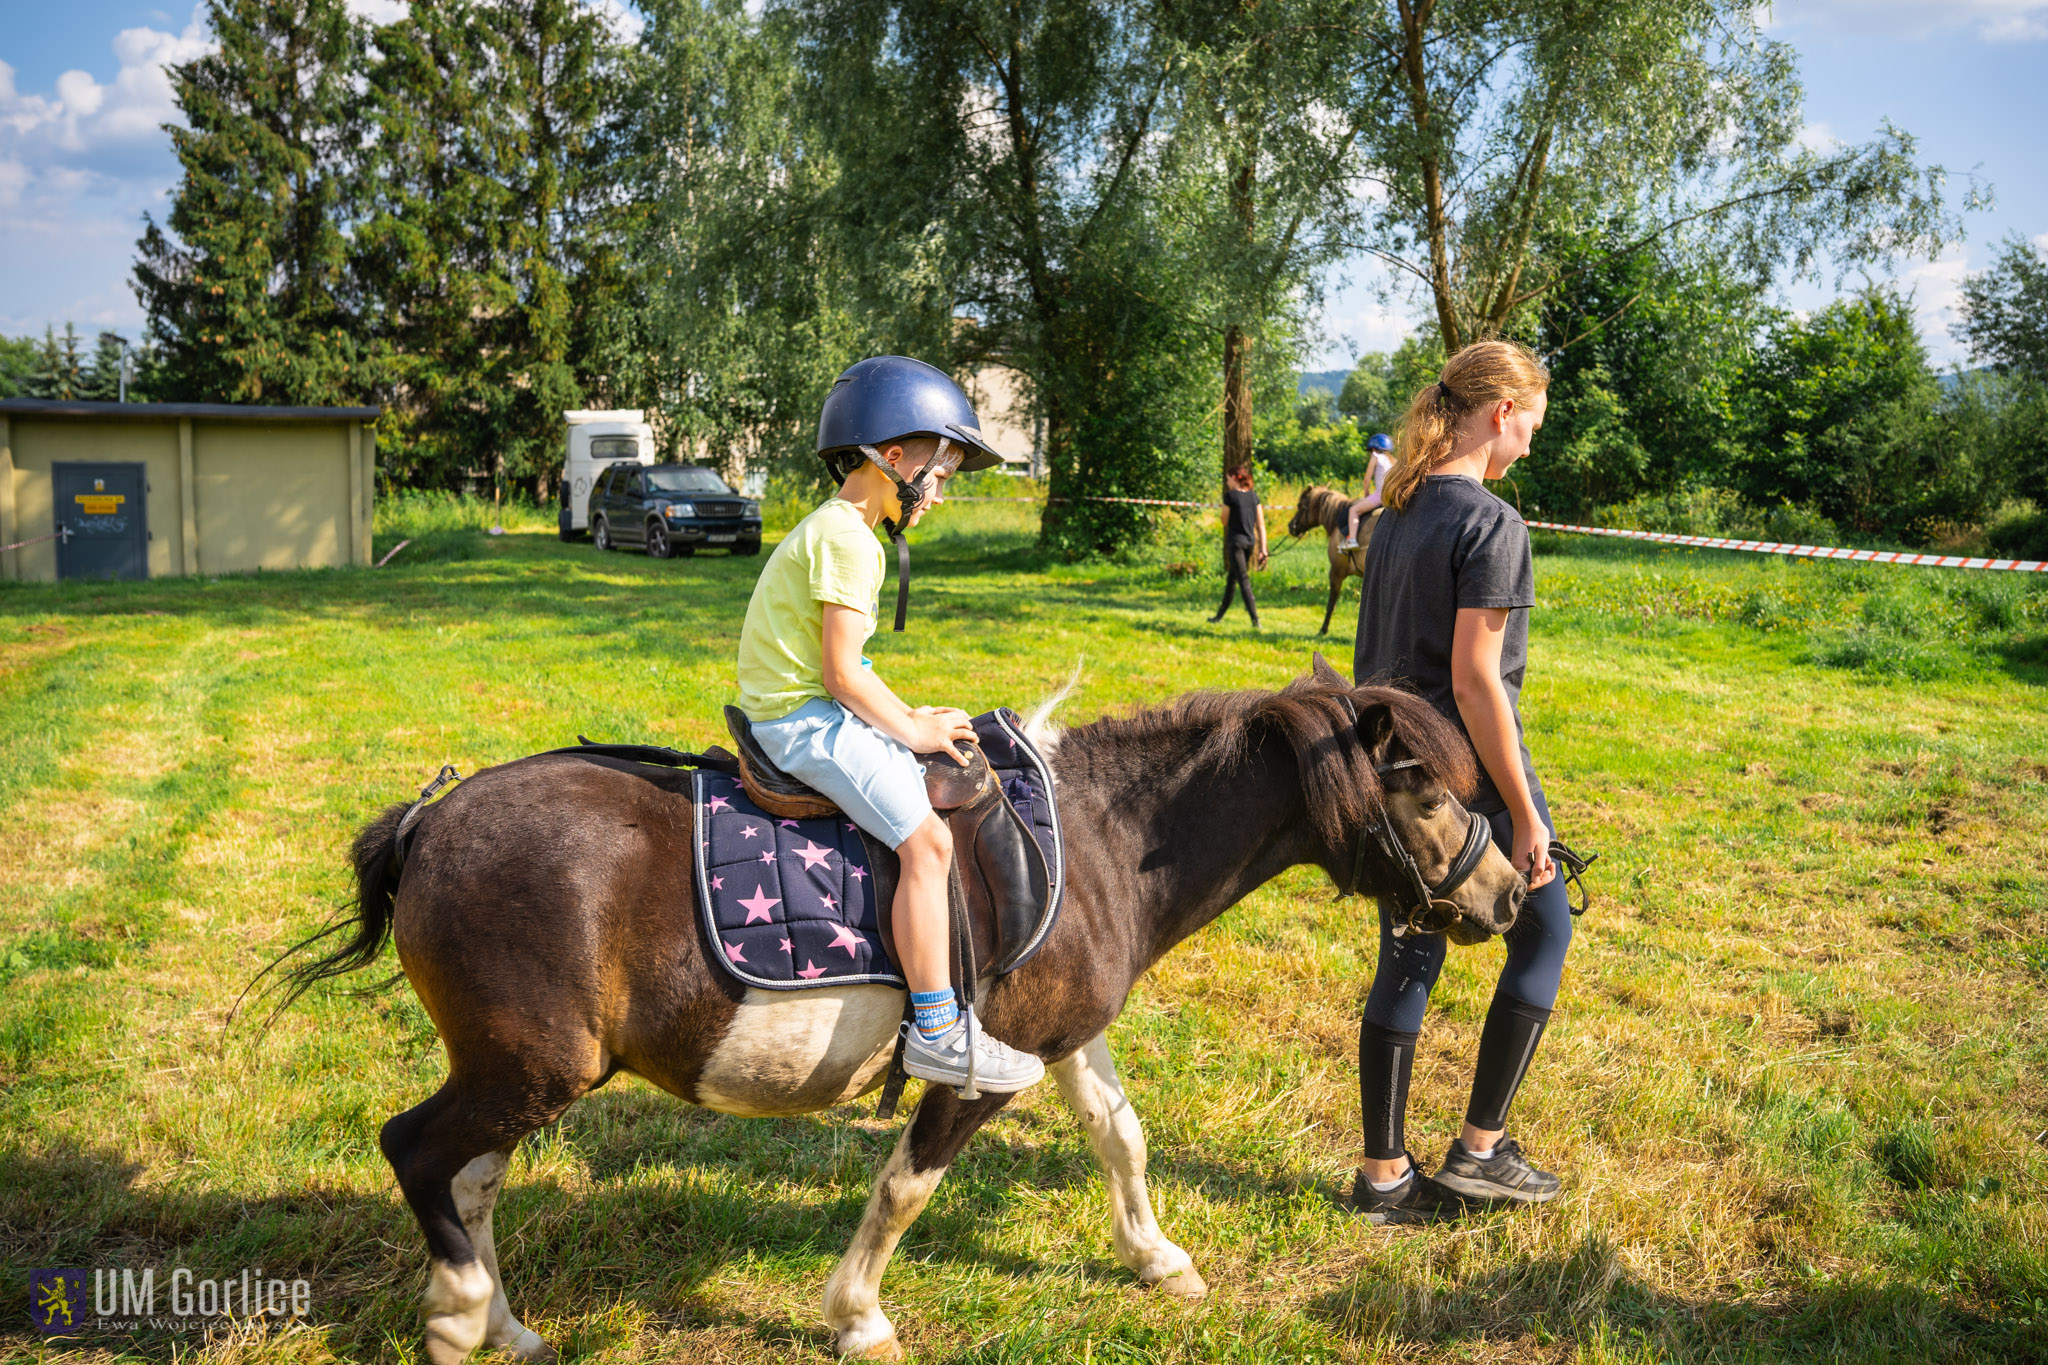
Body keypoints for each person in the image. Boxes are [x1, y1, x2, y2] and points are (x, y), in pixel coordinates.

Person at [734, 355, 1046, 1094]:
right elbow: (841, 674)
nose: (938, 493)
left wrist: (912, 714)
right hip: (800, 720)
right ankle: (938, 1027)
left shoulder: (841, 528)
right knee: (929, 841)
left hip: (807, 704)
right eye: (937, 474)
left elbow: (847, 668)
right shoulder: (851, 541)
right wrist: (907, 731)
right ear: (892, 455)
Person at [1347, 339, 1574, 1224]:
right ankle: (1481, 1151)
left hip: (1386, 769)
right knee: (1544, 929)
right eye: (1531, 429)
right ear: (1502, 413)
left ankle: (1384, 1176)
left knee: (1407, 953)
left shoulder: (1397, 507)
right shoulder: (1492, 524)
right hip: (1461, 773)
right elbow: (1480, 683)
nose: (1529, 447)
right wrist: (1523, 812)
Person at [1209, 462, 1268, 628]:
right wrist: (1263, 549)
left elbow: (1224, 521)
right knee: (1232, 579)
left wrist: (1225, 509)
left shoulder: (1230, 496)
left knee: (1243, 580)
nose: (1227, 482)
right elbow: (1261, 525)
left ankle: (1255, 620)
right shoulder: (1253, 496)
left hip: (1236, 543)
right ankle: (1218, 617)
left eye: (1228, 478)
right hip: (1250, 543)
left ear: (1234, 478)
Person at [1338, 432, 1396, 551]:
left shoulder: (1375, 457)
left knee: (1354, 510)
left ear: (1374, 448)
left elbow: (1366, 480)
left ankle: (1352, 540)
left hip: (1380, 496)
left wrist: (1366, 494)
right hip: (1392, 496)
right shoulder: (1394, 461)